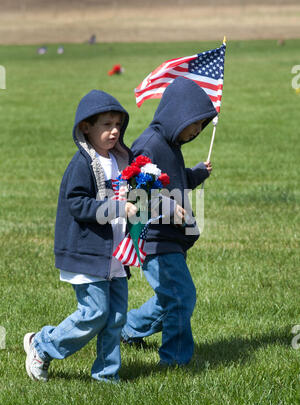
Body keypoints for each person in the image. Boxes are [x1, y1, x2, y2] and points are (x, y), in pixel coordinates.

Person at [24, 89, 137, 383]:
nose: (114, 131)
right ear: (86, 127)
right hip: (88, 252)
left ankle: (106, 376)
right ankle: (42, 346)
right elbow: (77, 204)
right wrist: (116, 207)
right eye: (106, 125)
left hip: (115, 254)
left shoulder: (123, 160)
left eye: (118, 125)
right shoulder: (83, 164)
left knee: (115, 319)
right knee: (94, 313)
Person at [121, 76, 218, 367]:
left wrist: (197, 174)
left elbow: (173, 182)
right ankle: (175, 360)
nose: (197, 130)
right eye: (195, 123)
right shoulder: (149, 145)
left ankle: (126, 328)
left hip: (170, 236)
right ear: (178, 113)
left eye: (202, 126)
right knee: (181, 296)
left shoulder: (171, 145)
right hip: (155, 237)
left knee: (171, 297)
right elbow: (136, 193)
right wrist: (167, 206)